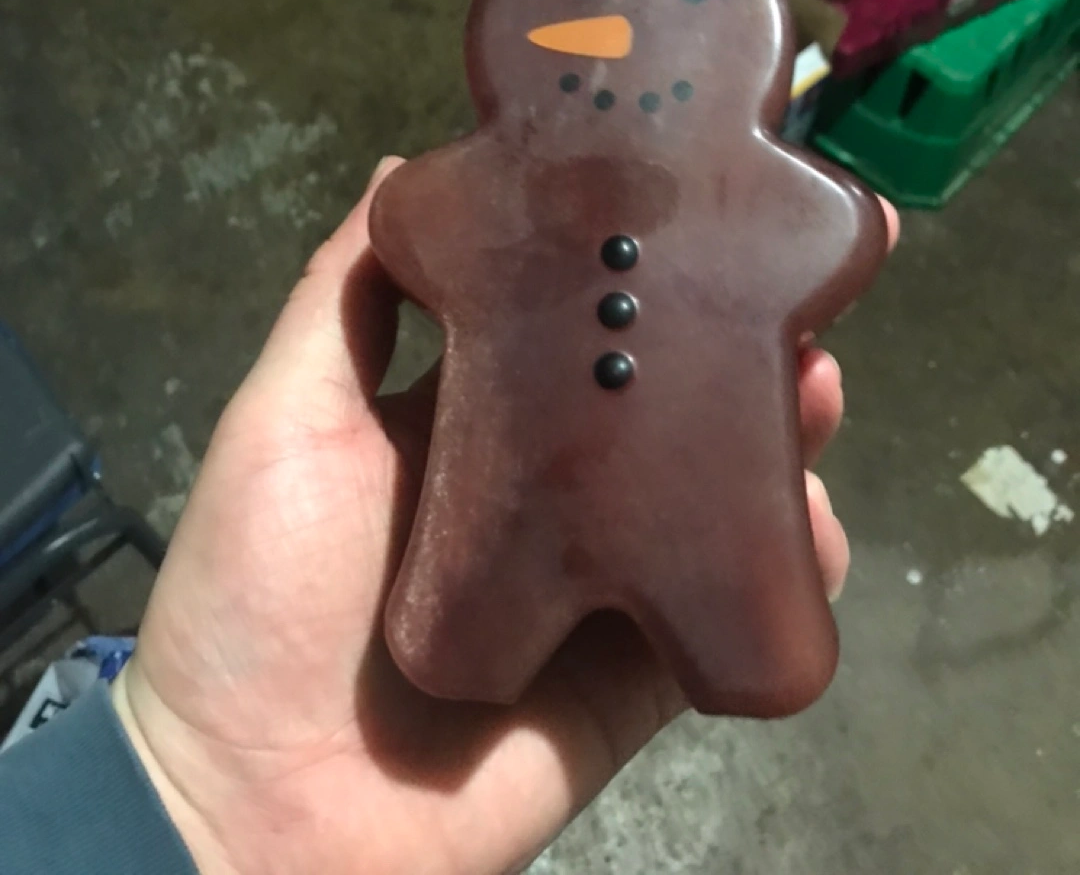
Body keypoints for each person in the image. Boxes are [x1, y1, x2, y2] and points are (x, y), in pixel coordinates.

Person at [0, 159, 895, 875]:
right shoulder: (505, 180)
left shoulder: (746, 184)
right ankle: (502, 636)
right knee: (481, 604)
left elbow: (830, 228)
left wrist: (170, 799)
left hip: (695, 488)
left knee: (737, 583)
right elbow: (414, 219)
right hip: (504, 514)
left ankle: (742, 638)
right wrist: (186, 789)